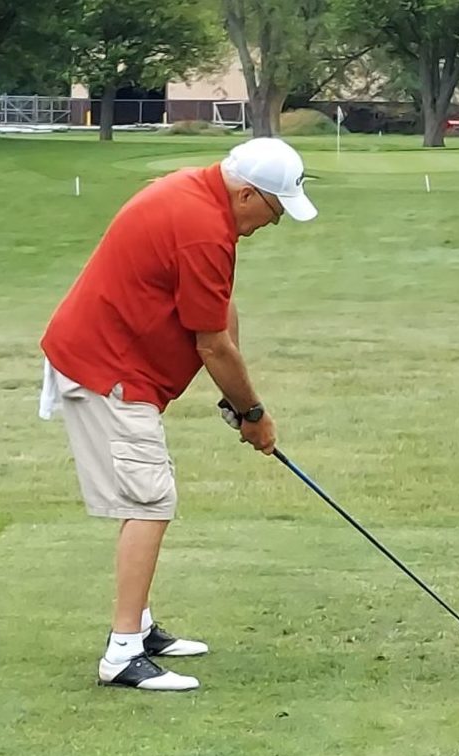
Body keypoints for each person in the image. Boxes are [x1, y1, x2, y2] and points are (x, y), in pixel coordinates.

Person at [38, 137, 318, 691]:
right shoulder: (202, 228)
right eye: (274, 209)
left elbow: (220, 310)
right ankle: (122, 653)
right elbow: (211, 345)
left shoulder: (199, 196)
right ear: (246, 195)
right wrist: (254, 413)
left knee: (147, 495)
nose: (275, 221)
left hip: (110, 361)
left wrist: (238, 402)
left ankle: (139, 630)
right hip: (108, 370)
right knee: (149, 500)